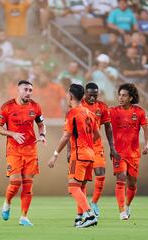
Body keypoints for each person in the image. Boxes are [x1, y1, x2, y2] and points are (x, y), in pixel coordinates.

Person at [0, 80, 46, 227]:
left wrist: (42, 135)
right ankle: (7, 203)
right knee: (15, 183)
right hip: (14, 150)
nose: (28, 93)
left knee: (28, 185)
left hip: (30, 150)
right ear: (18, 90)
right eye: (25, 90)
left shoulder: (35, 107)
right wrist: (12, 134)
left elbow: (41, 125)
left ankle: (24, 217)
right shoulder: (7, 107)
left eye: (30, 90)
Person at [48, 83, 99, 228]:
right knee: (81, 187)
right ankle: (79, 217)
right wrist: (87, 143)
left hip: (79, 155)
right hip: (90, 155)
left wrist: (55, 155)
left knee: (72, 187)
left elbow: (65, 136)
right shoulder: (90, 113)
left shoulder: (72, 113)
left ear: (70, 96)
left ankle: (90, 215)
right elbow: (97, 135)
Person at [109, 83, 148, 220]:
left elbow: (146, 129)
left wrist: (147, 144)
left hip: (133, 154)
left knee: (132, 183)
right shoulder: (112, 111)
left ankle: (127, 205)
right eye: (119, 95)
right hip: (118, 153)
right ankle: (121, 212)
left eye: (124, 95)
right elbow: (97, 116)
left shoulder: (139, 112)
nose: (120, 98)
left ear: (131, 98)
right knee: (120, 179)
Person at [81, 82, 120, 217]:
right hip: (82, 146)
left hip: (97, 146)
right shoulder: (78, 105)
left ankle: (94, 202)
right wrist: (69, 149)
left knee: (100, 172)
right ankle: (84, 208)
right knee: (82, 179)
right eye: (90, 95)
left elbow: (108, 128)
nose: (93, 98)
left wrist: (112, 147)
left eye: (95, 95)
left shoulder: (102, 107)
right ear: (85, 93)